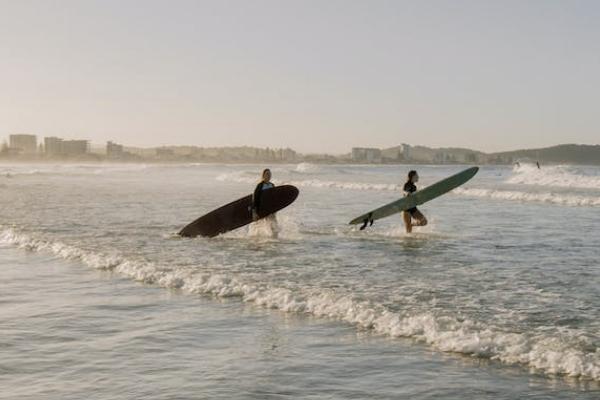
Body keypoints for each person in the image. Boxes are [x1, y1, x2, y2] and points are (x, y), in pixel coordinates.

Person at [251, 168, 279, 237]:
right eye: (267, 174)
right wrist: (254, 212)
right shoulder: (260, 185)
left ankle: (274, 238)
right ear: (263, 175)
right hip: (262, 209)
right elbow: (255, 198)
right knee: (259, 225)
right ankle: (256, 236)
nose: (269, 176)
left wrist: (275, 209)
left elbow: (274, 198)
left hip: (270, 209)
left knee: (274, 225)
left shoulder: (272, 185)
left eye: (270, 174)